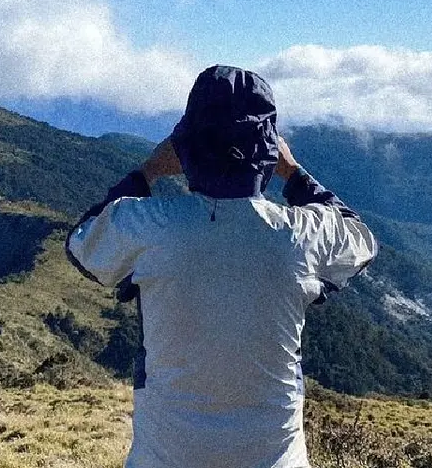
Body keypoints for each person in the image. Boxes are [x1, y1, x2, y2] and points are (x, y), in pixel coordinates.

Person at [66, 65, 377, 468]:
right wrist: (294, 173)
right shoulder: (302, 233)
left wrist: (148, 170)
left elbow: (83, 242)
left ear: (185, 148)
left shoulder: (149, 226)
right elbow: (360, 238)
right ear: (269, 152)